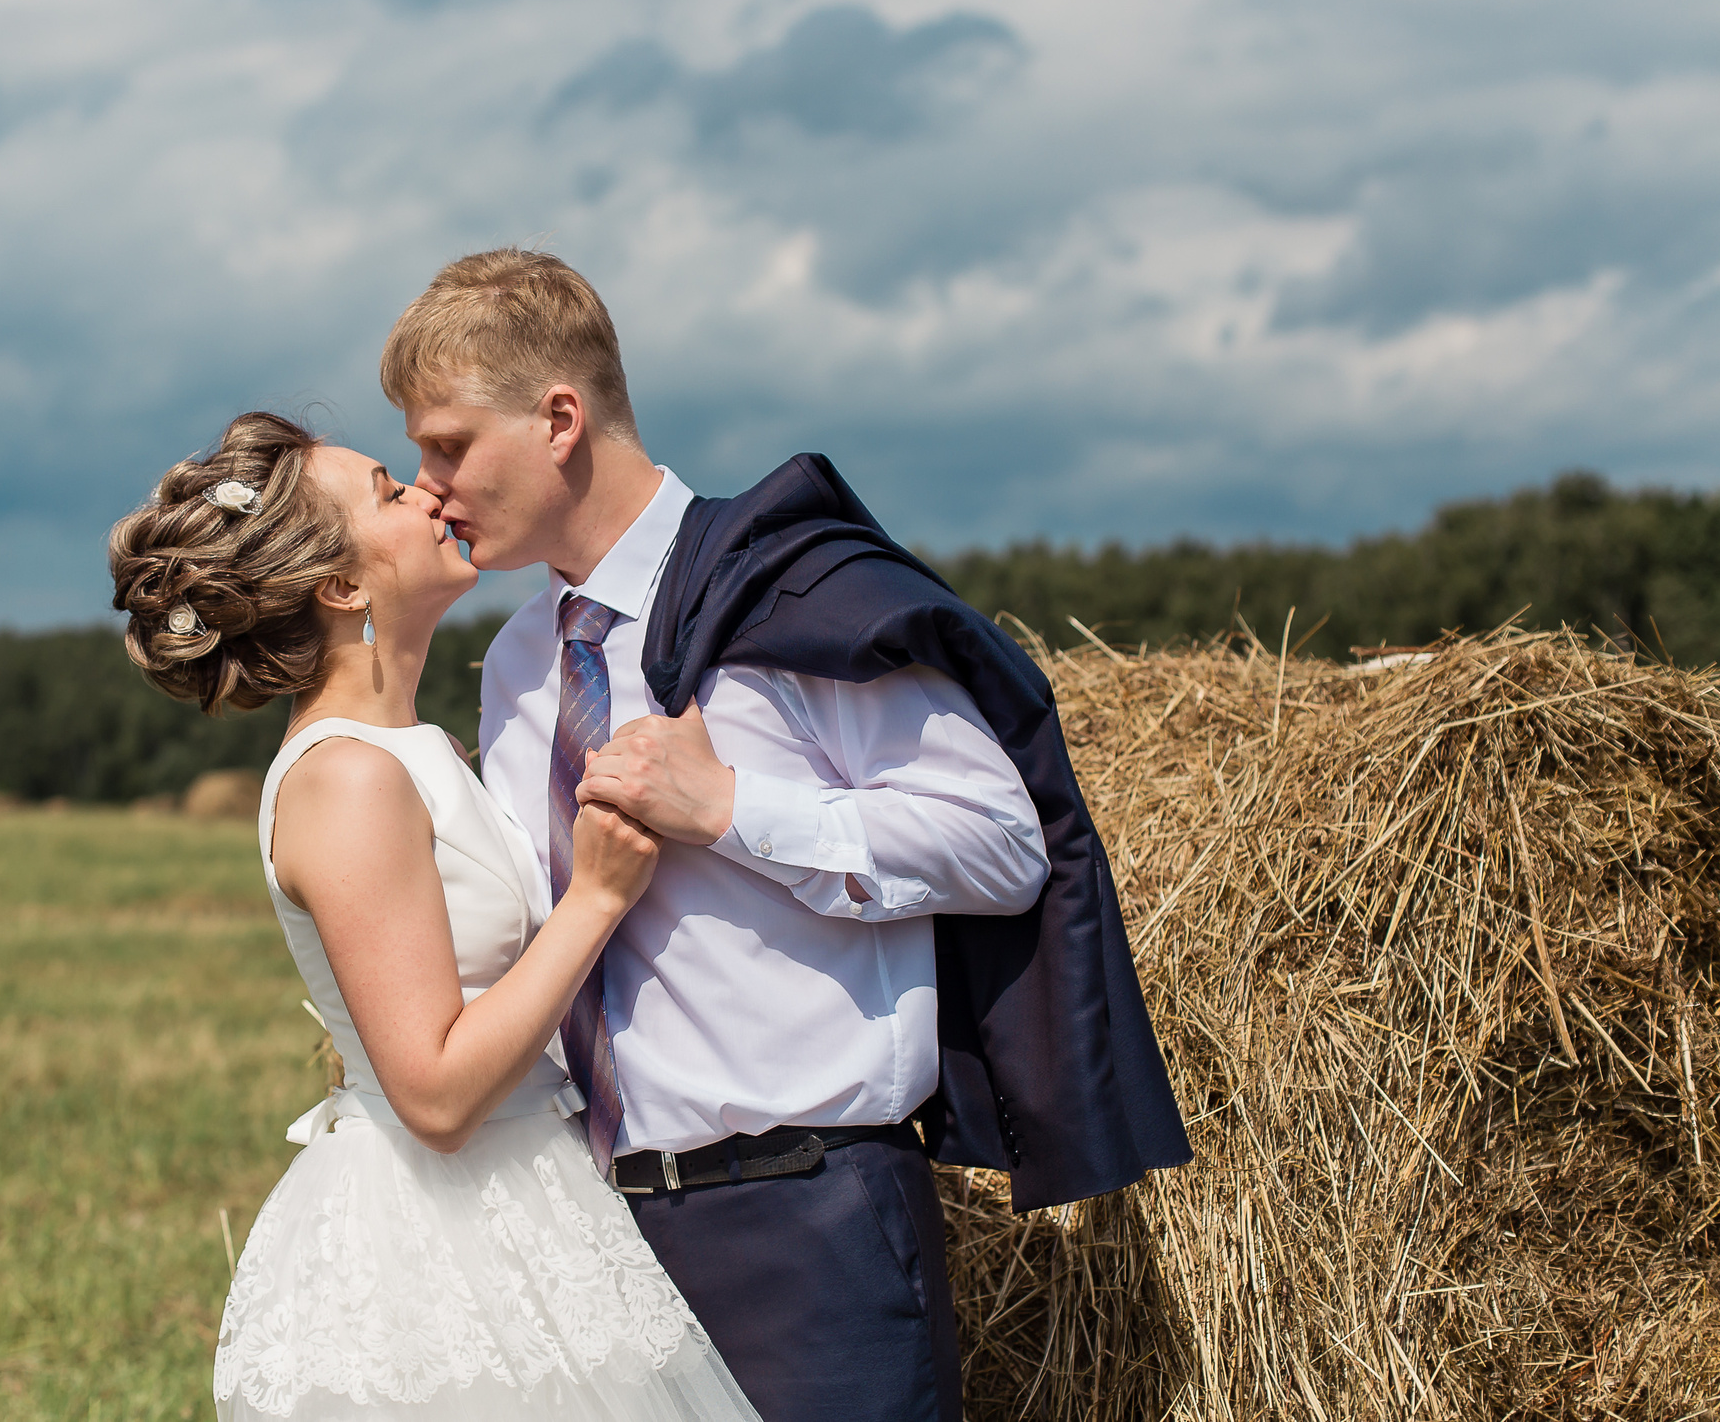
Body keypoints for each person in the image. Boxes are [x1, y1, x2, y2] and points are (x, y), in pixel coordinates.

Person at [380, 250, 1188, 1422]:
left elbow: (1004, 844)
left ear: (559, 419)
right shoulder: (515, 664)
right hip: (587, 1241)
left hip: (810, 1226)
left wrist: (731, 811)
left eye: (447, 443)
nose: (429, 484)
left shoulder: (789, 596)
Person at [107, 411, 763, 1422]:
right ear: (341, 588)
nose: (427, 493)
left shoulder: (414, 748)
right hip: (439, 1238)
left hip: (531, 1194)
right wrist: (592, 899)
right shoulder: (348, 781)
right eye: (386, 490)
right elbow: (438, 1098)